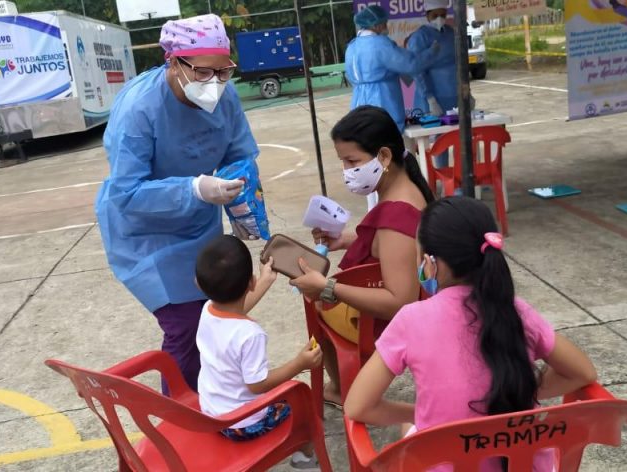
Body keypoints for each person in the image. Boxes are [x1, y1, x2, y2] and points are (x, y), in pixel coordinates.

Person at [344, 197, 598, 471]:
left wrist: (422, 415)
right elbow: (581, 373)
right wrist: (512, 390)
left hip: (445, 461)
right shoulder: (516, 312)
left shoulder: (411, 319)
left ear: (431, 263)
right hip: (527, 465)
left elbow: (358, 406)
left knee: (408, 430)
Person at [95, 14, 259, 394]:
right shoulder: (139, 110)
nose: (215, 83)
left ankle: (219, 404)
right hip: (145, 234)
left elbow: (241, 157)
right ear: (173, 63)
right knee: (185, 326)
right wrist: (195, 189)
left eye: (224, 71)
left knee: (215, 318)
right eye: (204, 72)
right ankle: (182, 418)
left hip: (199, 226)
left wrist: (245, 209)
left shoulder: (225, 96)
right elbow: (127, 192)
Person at [291, 105, 434, 407]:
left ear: (384, 156)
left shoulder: (398, 211)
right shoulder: (405, 188)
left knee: (315, 301)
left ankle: (342, 388)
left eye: (352, 161)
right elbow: (391, 244)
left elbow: (400, 301)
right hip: (392, 304)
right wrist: (345, 240)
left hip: (379, 324)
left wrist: (328, 288)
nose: (346, 171)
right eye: (342, 161)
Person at [194, 235, 322, 469]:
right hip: (241, 424)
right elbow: (257, 384)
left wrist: (265, 280)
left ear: (198, 284)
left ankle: (303, 454)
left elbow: (236, 309)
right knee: (303, 406)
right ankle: (304, 456)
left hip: (212, 412)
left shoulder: (207, 310)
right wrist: (299, 363)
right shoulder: (250, 334)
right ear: (250, 283)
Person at [345, 5, 438, 132]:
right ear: (376, 25)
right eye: (384, 24)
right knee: (387, 142)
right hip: (382, 100)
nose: (386, 28)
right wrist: (431, 52)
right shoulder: (380, 44)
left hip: (358, 103)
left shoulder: (352, 46)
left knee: (366, 141)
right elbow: (411, 64)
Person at [408, 0, 456, 118]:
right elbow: (417, 70)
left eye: (443, 15)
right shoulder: (420, 37)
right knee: (434, 133)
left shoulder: (450, 33)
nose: (439, 19)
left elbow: (458, 63)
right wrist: (430, 98)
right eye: (435, 15)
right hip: (432, 97)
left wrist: (466, 92)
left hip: (454, 94)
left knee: (454, 133)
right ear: (427, 15)